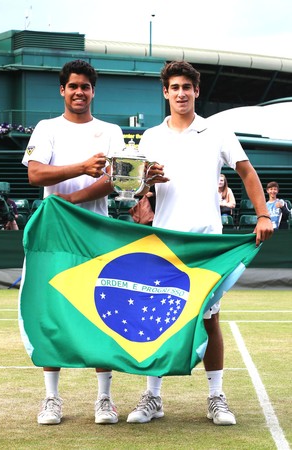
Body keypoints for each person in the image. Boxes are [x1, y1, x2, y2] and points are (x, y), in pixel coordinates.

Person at [57, 60, 273, 426]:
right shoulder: (152, 137)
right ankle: (152, 397)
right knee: (157, 319)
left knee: (210, 320)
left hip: (205, 242)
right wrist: (148, 182)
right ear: (165, 93)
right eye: (174, 87)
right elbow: (135, 191)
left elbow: (246, 172)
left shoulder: (217, 129)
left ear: (196, 91)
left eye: (187, 87)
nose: (181, 93)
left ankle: (216, 397)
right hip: (163, 242)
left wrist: (263, 214)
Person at [21, 59, 125, 426]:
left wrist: (71, 202)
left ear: (93, 91)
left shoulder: (111, 131)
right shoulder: (47, 128)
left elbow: (117, 180)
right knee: (53, 313)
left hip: (98, 232)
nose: (79, 92)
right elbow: (35, 173)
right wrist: (81, 168)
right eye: (73, 86)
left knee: (103, 313)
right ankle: (51, 398)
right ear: (62, 90)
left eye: (85, 86)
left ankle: (105, 399)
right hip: (55, 235)